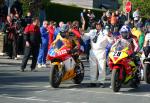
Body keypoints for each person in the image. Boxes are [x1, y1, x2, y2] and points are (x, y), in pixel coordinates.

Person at [84, 22, 113, 87]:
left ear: (101, 25)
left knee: (102, 67)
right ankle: (93, 81)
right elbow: (85, 37)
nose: (97, 26)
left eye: (99, 25)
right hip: (93, 51)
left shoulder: (105, 32)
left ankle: (101, 82)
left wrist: (109, 35)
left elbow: (111, 41)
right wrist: (82, 33)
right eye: (96, 24)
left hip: (101, 51)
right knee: (92, 67)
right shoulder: (92, 31)